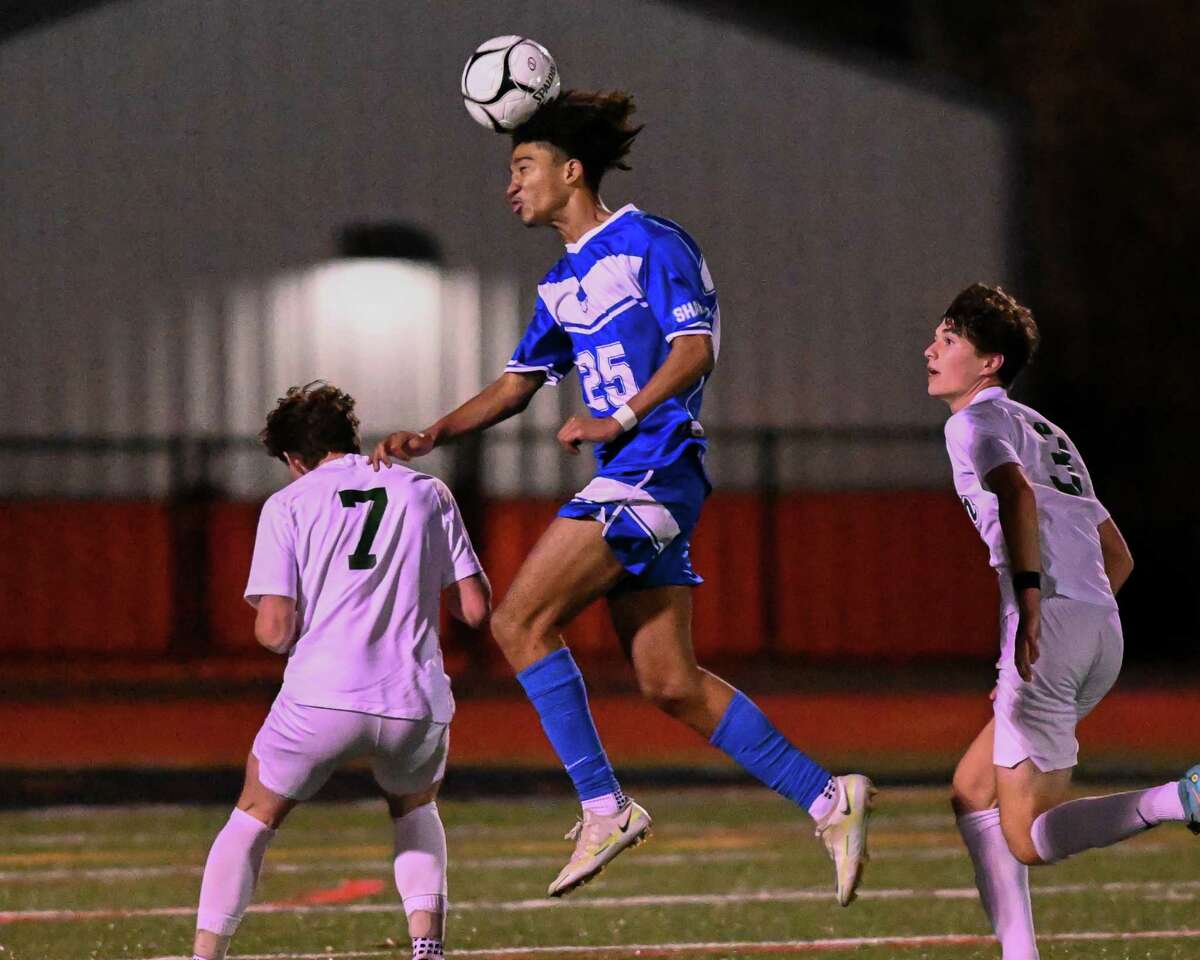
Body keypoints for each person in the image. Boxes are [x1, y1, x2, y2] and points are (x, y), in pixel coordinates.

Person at [371, 90, 873, 904]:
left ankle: (605, 806)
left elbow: (695, 349)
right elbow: (514, 386)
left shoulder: (651, 242)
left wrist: (621, 416)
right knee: (669, 681)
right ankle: (827, 797)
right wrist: (431, 434)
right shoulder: (561, 283)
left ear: (572, 172)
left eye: (523, 167)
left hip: (654, 465)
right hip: (633, 472)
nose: (512, 185)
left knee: (516, 620)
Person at [925, 283, 1200, 959]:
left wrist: (1031, 610)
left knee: (1027, 835)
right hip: (1101, 628)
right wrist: (1068, 623)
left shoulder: (973, 423)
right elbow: (1118, 555)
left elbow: (1013, 491)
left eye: (950, 340)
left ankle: (1177, 799)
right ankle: (1020, 955)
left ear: (988, 363)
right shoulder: (1046, 428)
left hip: (1049, 623)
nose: (931, 349)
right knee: (971, 789)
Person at [191, 382, 490, 960]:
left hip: (323, 696)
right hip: (414, 698)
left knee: (254, 816)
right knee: (415, 808)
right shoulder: (428, 491)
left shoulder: (288, 504)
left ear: (295, 459)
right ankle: (427, 947)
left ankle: (207, 954)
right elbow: (475, 610)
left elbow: (276, 632)